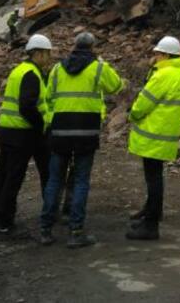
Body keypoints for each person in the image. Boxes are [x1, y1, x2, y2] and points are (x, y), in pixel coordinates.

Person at [39, 31, 126, 248]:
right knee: (80, 181)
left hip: (59, 132)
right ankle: (76, 232)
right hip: (86, 133)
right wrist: (105, 64)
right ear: (92, 47)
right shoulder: (98, 67)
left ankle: (45, 230)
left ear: (74, 45)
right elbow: (116, 86)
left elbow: (48, 98)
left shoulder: (58, 69)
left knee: (54, 180)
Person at [125, 35, 180, 241]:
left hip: (152, 135)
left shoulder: (162, 75)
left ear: (164, 55)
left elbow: (143, 104)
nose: (154, 58)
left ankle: (151, 225)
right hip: (167, 135)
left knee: (153, 179)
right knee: (156, 177)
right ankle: (150, 212)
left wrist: (132, 115)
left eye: (156, 54)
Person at [0, 33, 53, 235]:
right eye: (47, 54)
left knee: (1, 176)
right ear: (38, 54)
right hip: (22, 134)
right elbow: (27, 106)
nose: (49, 58)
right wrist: (40, 125)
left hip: (7, 131)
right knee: (12, 179)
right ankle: (4, 220)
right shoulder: (31, 74)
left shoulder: (19, 70)